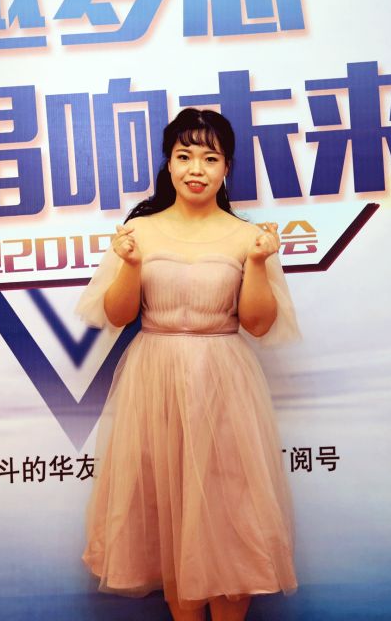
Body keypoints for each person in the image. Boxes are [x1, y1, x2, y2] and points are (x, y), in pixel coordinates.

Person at [76, 108, 300, 621]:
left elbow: (258, 324)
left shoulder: (247, 237)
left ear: (226, 168)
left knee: (229, 511)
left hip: (223, 380)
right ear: (169, 164)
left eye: (210, 158)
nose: (196, 168)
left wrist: (259, 262)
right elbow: (118, 315)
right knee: (169, 513)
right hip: (153, 379)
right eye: (184, 156)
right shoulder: (140, 231)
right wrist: (130, 264)